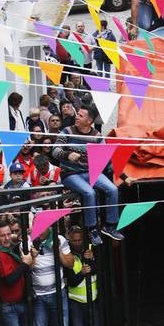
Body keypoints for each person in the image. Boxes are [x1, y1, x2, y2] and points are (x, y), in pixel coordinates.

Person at [52, 105, 121, 245]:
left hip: (91, 172)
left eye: (80, 115)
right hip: (70, 174)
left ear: (89, 121)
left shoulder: (96, 135)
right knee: (89, 193)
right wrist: (67, 155)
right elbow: (54, 151)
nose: (76, 117)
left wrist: (124, 176)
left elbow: (106, 158)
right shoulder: (67, 131)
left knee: (113, 189)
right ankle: (92, 229)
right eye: (77, 114)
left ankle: (110, 226)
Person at [30, 219, 74, 326]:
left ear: (49, 227)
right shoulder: (28, 242)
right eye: (36, 228)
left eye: (42, 228)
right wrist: (32, 257)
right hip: (39, 296)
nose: (39, 231)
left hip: (58, 292)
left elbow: (70, 264)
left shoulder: (60, 239)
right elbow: (25, 269)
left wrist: (57, 251)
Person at [66, 224, 105, 326]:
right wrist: (81, 272)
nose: (77, 243)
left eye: (79, 239)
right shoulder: (68, 257)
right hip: (76, 300)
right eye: (74, 240)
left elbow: (98, 271)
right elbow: (71, 281)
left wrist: (92, 260)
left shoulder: (90, 251)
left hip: (93, 299)